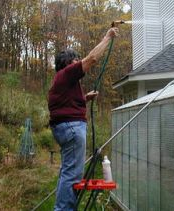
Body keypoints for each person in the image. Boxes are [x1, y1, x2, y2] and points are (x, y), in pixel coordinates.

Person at [48, 27, 119, 211]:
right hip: (72, 129)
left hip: (66, 128)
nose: (79, 62)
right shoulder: (67, 73)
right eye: (76, 59)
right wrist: (107, 38)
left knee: (68, 172)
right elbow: (92, 59)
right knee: (72, 174)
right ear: (68, 63)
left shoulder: (62, 81)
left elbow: (64, 105)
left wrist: (84, 98)